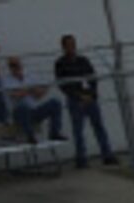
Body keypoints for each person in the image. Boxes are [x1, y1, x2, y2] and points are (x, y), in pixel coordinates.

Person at [53, 33, 116, 169]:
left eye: (73, 45)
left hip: (89, 98)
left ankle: (107, 155)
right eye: (68, 45)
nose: (71, 48)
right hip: (75, 100)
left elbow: (92, 78)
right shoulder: (60, 63)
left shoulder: (83, 60)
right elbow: (63, 84)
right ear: (63, 47)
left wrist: (91, 95)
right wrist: (78, 97)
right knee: (78, 130)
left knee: (99, 126)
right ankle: (81, 159)